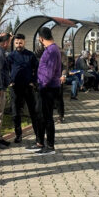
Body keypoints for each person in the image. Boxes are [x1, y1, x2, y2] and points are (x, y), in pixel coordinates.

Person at [30, 27, 61, 155]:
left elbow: (48, 71)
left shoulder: (52, 51)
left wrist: (41, 84)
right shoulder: (51, 49)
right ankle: (40, 142)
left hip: (48, 88)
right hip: (45, 87)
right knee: (41, 115)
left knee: (47, 117)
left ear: (41, 38)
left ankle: (50, 146)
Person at [7, 34, 39, 143]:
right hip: (15, 87)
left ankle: (38, 135)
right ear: (14, 43)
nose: (18, 45)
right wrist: (10, 81)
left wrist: (33, 81)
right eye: (16, 43)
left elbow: (37, 69)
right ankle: (18, 135)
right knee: (16, 113)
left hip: (28, 87)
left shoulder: (30, 55)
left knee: (33, 112)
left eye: (20, 43)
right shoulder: (10, 56)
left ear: (24, 42)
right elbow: (5, 70)